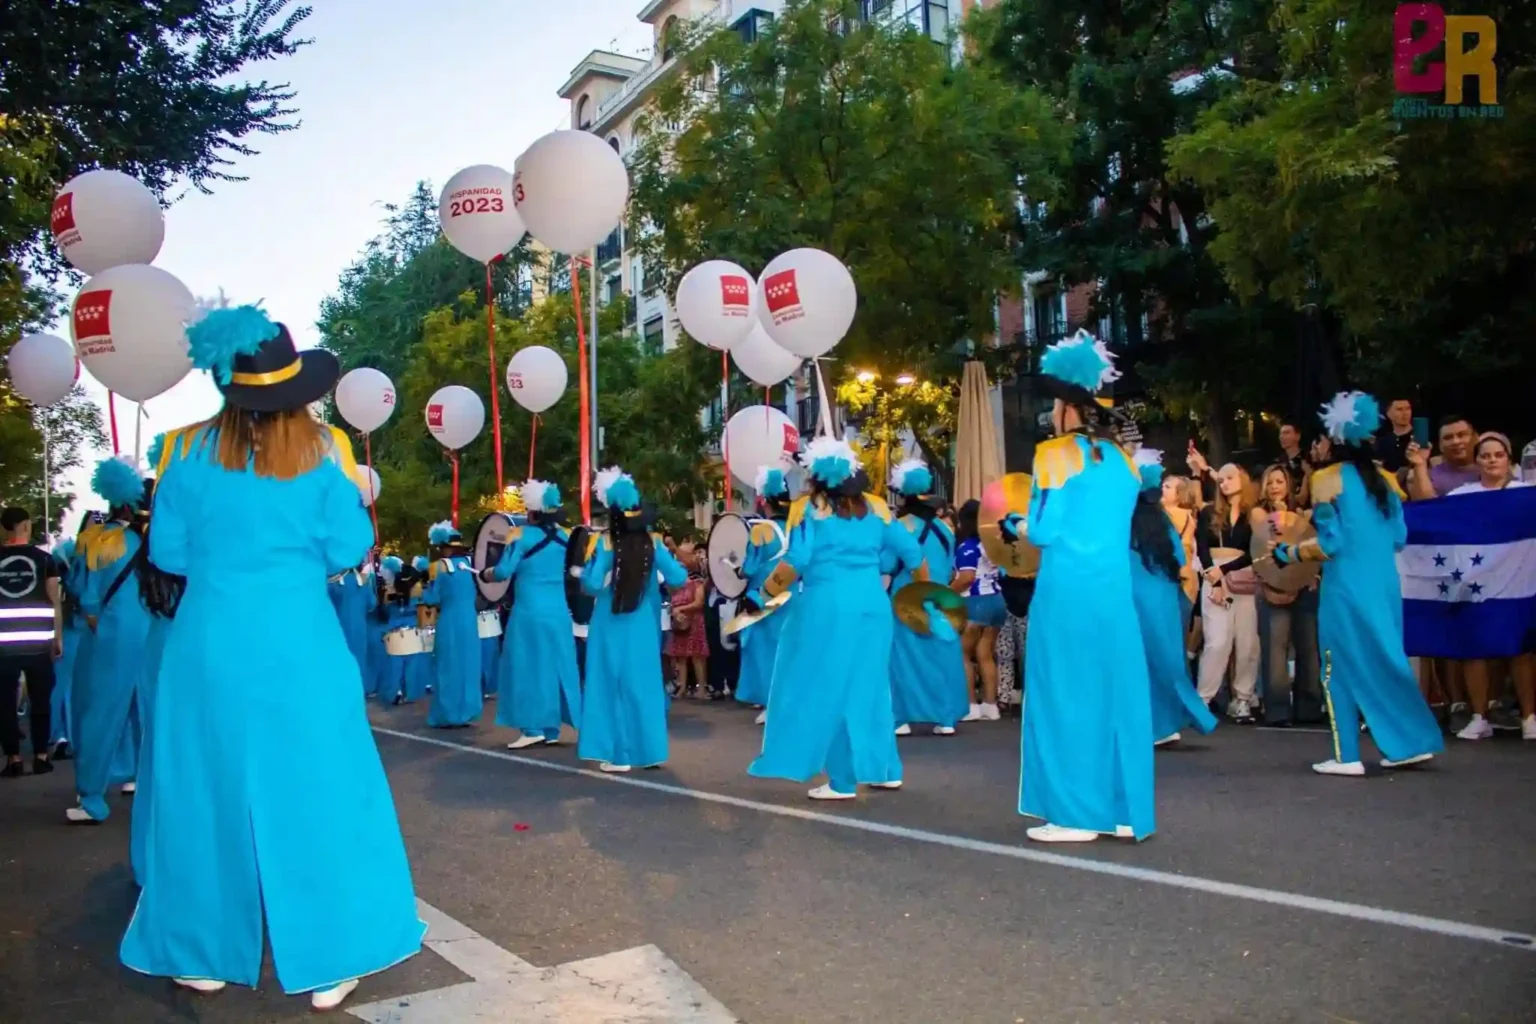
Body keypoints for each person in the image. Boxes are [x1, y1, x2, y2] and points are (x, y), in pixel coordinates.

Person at [119, 304, 423, 1011]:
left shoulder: (180, 452)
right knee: (319, 792)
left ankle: (198, 950)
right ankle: (332, 956)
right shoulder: (323, 454)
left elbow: (166, 554)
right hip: (299, 645)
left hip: (208, 646)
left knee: (202, 793)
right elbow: (349, 549)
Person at [1013, 330, 1153, 843]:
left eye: (1055, 402)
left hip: (1067, 592)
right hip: (1114, 594)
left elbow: (1045, 530)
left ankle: (1074, 812)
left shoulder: (1054, 455)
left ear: (1069, 407)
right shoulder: (1123, 460)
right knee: (1114, 694)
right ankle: (1119, 809)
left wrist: (1018, 525)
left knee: (1065, 693)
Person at [1271, 391, 1444, 776]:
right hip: (1384, 586)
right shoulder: (1384, 481)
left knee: (1336, 667)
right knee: (1386, 658)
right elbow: (1399, 536)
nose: (1316, 445)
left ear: (1334, 439)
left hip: (1346, 588)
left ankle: (1347, 754)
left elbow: (1331, 543)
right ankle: (1408, 743)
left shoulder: (1326, 480)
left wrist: (1290, 554)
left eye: (1319, 438)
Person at [747, 438, 921, 800]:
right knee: (871, 687)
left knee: (828, 688)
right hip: (873, 607)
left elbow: (796, 561)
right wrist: (926, 593)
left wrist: (762, 596)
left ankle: (842, 780)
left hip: (825, 608)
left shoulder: (808, 509)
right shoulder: (877, 508)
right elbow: (912, 552)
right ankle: (884, 769)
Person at [577, 469, 688, 773]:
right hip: (643, 624)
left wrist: (587, 577)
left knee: (609, 685)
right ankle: (649, 750)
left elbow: (592, 584)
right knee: (644, 686)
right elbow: (679, 577)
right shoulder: (654, 542)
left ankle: (619, 754)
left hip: (609, 621)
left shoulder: (604, 543)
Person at [67, 456, 151, 822]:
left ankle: (91, 797)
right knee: (144, 711)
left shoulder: (94, 539)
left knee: (99, 711)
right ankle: (142, 780)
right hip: (148, 634)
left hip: (107, 635)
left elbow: (81, 588)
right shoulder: (143, 541)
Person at [1445, 433, 1535, 741]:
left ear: (1508, 460)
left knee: (1521, 651)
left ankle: (1529, 717)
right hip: (1477, 586)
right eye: (1485, 455)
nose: (1492, 460)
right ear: (1477, 460)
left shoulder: (1527, 494)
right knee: (1475, 651)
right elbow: (1437, 523)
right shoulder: (1462, 495)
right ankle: (1479, 717)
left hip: (1519, 584)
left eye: (1498, 455)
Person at [484, 480, 582, 750]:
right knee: (555, 667)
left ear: (533, 512)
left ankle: (532, 727)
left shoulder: (520, 535)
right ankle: (551, 729)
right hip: (560, 612)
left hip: (529, 612)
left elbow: (503, 572)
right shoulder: (567, 535)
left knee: (526, 667)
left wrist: (486, 573)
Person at [1128, 451, 1217, 747]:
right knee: (1167, 659)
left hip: (1136, 600)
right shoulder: (1164, 521)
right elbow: (1180, 559)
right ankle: (1166, 724)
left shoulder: (1125, 522)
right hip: (1166, 598)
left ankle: (1158, 725)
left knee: (1143, 663)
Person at [886, 459, 968, 737]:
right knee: (941, 658)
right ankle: (946, 718)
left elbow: (886, 564)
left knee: (901, 660)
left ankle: (901, 718)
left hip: (904, 599)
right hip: (939, 600)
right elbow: (948, 564)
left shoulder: (899, 526)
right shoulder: (946, 529)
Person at [128, 505, 185, 889]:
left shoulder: (147, 552)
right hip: (187, 650)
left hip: (156, 648)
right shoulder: (195, 550)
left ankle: (150, 856)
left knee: (157, 749)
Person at [1189, 457, 1260, 723]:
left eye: (1230, 477)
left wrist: (1226, 570)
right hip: (1214, 577)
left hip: (1243, 576)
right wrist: (1215, 578)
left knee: (1247, 642)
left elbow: (1257, 550)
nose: (1225, 483)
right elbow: (1202, 549)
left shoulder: (1254, 513)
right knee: (1217, 641)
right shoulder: (1209, 513)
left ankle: (1242, 699)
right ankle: (1203, 699)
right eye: (1221, 480)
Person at [1252, 465, 1322, 727]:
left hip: (1304, 583)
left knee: (1308, 647)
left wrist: (1313, 575)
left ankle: (1309, 707)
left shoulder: (1303, 512)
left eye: (1279, 481)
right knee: (1275, 649)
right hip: (1272, 584)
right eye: (1270, 482)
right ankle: (1278, 710)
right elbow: (1264, 544)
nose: (1274, 487)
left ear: (1288, 484)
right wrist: (1282, 514)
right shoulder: (1259, 513)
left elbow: (1312, 546)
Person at [0, 505, 63, 777]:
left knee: (4, 702)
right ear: (25, 526)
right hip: (38, 641)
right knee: (40, 700)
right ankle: (39, 755)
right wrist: (57, 636)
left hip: (3, 643)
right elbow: (54, 599)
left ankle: (13, 758)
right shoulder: (44, 559)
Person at [735, 467, 792, 723]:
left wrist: (738, 570)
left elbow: (749, 568)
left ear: (764, 501)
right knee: (789, 649)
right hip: (792, 595)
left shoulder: (759, 530)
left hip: (764, 597)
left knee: (766, 651)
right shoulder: (796, 527)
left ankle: (772, 704)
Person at [420, 521, 482, 728]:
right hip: (470, 620)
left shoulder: (440, 567)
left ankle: (447, 714)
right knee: (468, 664)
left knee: (448, 665)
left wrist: (424, 588)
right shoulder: (470, 564)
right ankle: (467, 711)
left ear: (444, 547)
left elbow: (432, 598)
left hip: (450, 620)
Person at [953, 500, 1004, 722]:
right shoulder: (993, 545)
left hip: (975, 602)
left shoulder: (968, 547)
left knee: (963, 653)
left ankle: (971, 705)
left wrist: (946, 591)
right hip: (997, 601)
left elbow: (966, 578)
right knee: (986, 654)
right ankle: (990, 706)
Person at [665, 541, 709, 696]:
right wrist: (675, 612)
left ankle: (702, 688)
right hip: (680, 622)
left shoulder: (697, 582)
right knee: (681, 656)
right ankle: (682, 687)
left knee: (697, 656)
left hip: (695, 620)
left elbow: (699, 602)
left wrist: (681, 609)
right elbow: (671, 602)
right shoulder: (674, 585)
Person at [1407, 415, 1479, 499]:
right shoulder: (1430, 477)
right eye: (1448, 438)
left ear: (1476, 438)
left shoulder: (1491, 467)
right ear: (1440, 445)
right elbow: (1426, 506)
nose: (1455, 441)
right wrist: (1420, 464)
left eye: (1461, 435)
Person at [328, 559, 377, 685]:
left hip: (339, 629)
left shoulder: (333, 584)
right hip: (360, 628)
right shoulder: (364, 582)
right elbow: (372, 604)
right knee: (359, 658)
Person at [1375, 398, 1415, 473]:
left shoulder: (1419, 437)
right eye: (1399, 409)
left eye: (1408, 409)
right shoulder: (1383, 441)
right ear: (1388, 414)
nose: (1405, 413)